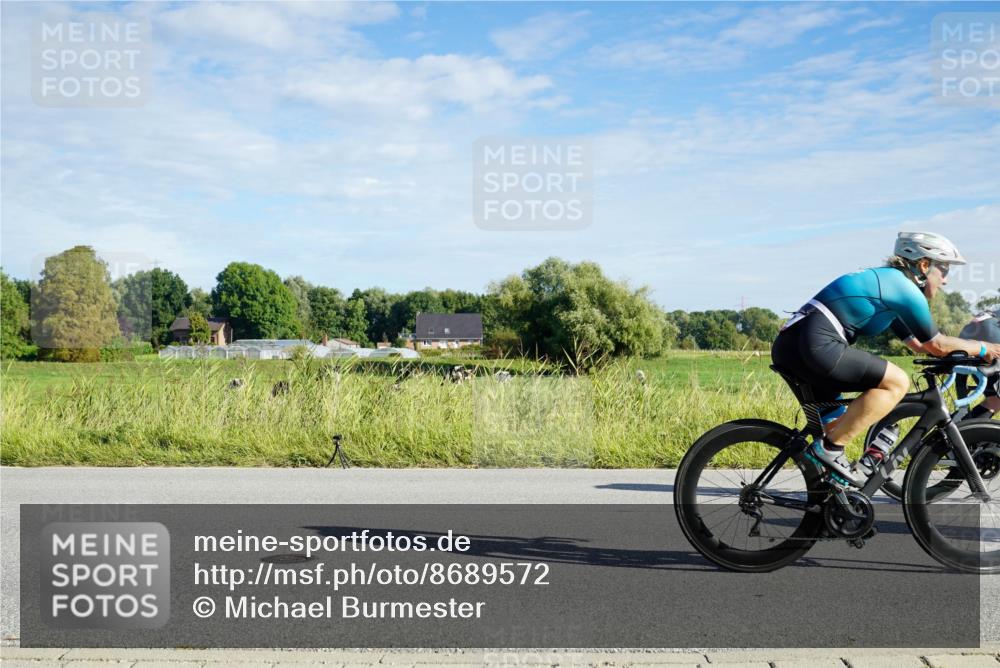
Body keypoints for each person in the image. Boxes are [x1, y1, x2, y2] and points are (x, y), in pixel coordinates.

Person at [771, 231, 1000, 485]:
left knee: (837, 428)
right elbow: (936, 344)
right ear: (924, 265)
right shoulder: (902, 288)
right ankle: (829, 451)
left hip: (793, 345)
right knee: (896, 382)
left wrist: (959, 357)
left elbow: (918, 345)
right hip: (817, 345)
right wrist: (983, 348)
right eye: (944, 270)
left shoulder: (889, 286)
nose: (946, 281)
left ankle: (830, 500)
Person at [959, 306, 1000, 419]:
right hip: (991, 330)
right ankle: (963, 432)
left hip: (973, 331)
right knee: (995, 400)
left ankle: (958, 430)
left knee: (994, 399)